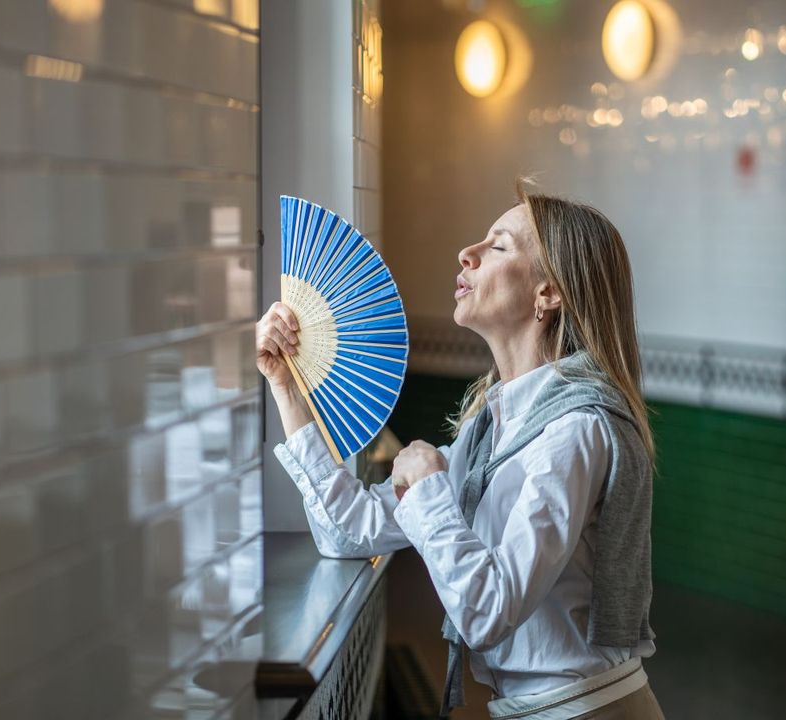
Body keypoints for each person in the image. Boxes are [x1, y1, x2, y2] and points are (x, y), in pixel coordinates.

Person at [256, 183, 665, 719]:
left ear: (549, 293)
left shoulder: (577, 429)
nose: (466, 254)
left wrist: (427, 488)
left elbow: (487, 612)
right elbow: (346, 531)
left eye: (497, 247)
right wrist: (287, 387)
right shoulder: (491, 432)